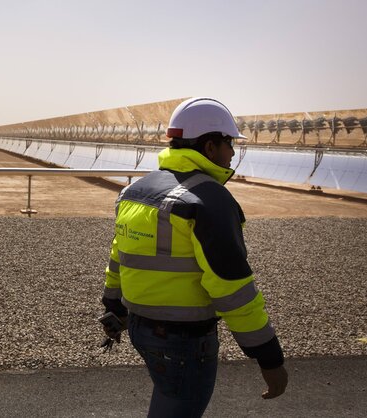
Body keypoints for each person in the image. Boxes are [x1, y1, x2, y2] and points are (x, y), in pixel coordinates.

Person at [100, 97, 288, 417]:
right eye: (229, 144)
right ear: (210, 145)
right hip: (183, 341)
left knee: (168, 398)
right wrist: (269, 358)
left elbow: (119, 256)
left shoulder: (135, 191)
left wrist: (114, 309)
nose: (232, 153)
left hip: (141, 330)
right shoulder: (208, 200)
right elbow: (233, 289)